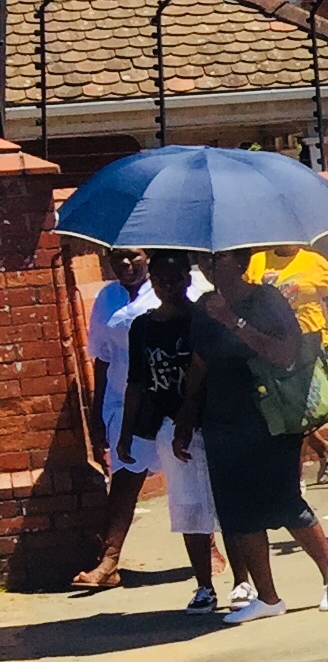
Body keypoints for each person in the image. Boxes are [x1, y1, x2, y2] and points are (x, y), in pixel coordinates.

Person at [188, 250, 328, 622]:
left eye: (217, 259)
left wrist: (233, 321)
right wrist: (185, 416)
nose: (208, 266)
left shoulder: (266, 300)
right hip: (222, 419)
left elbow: (284, 353)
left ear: (239, 262)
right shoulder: (204, 306)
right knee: (238, 513)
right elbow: (199, 365)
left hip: (270, 416)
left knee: (285, 502)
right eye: (204, 260)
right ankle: (268, 598)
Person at [107, 254, 224, 607]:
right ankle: (204, 586)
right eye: (159, 280)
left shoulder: (202, 319)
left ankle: (244, 581)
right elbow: (137, 382)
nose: (167, 287)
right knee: (188, 505)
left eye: (174, 279)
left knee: (226, 504)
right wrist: (126, 433)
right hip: (167, 424)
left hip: (213, 419)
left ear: (187, 280)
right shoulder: (143, 326)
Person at [71, 251, 152, 591]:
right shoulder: (107, 297)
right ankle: (110, 561)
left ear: (147, 256)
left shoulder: (173, 287)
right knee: (125, 477)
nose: (125, 266)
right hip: (123, 401)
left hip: (168, 400)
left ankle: (208, 552)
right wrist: (97, 408)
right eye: (116, 259)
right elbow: (103, 357)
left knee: (188, 477)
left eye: (132, 257)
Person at [246, 241, 328, 485]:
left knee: (298, 410)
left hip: (309, 345)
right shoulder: (257, 261)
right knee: (284, 409)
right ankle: (324, 449)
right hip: (272, 346)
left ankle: (294, 479)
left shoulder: (315, 261)